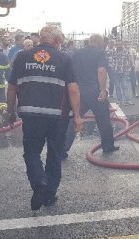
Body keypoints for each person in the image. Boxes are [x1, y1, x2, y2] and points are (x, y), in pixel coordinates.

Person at [5, 25, 83, 210]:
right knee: (55, 154)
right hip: (58, 116)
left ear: (41, 38)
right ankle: (49, 195)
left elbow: (12, 88)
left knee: (31, 152)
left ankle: (39, 181)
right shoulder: (63, 58)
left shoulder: (22, 57)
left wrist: (10, 112)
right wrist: (78, 116)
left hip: (31, 115)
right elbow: (72, 89)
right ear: (56, 40)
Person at [63, 34, 119, 159]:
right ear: (99, 42)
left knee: (74, 119)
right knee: (103, 119)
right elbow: (101, 71)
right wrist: (103, 89)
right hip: (95, 91)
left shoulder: (77, 53)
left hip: (79, 91)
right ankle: (108, 146)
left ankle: (63, 149)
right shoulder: (100, 53)